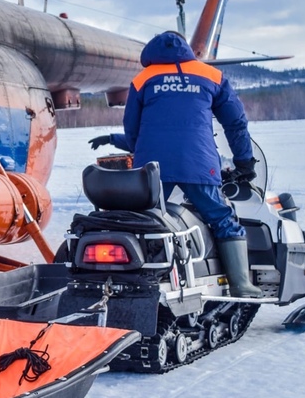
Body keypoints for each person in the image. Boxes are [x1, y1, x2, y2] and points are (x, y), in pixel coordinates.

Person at [89, 31, 262, 298]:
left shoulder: (143, 79)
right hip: (200, 163)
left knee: (141, 219)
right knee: (220, 217)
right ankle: (240, 284)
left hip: (152, 168)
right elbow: (235, 123)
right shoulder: (212, 76)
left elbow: (133, 129)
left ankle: (126, 282)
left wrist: (137, 150)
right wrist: (244, 161)